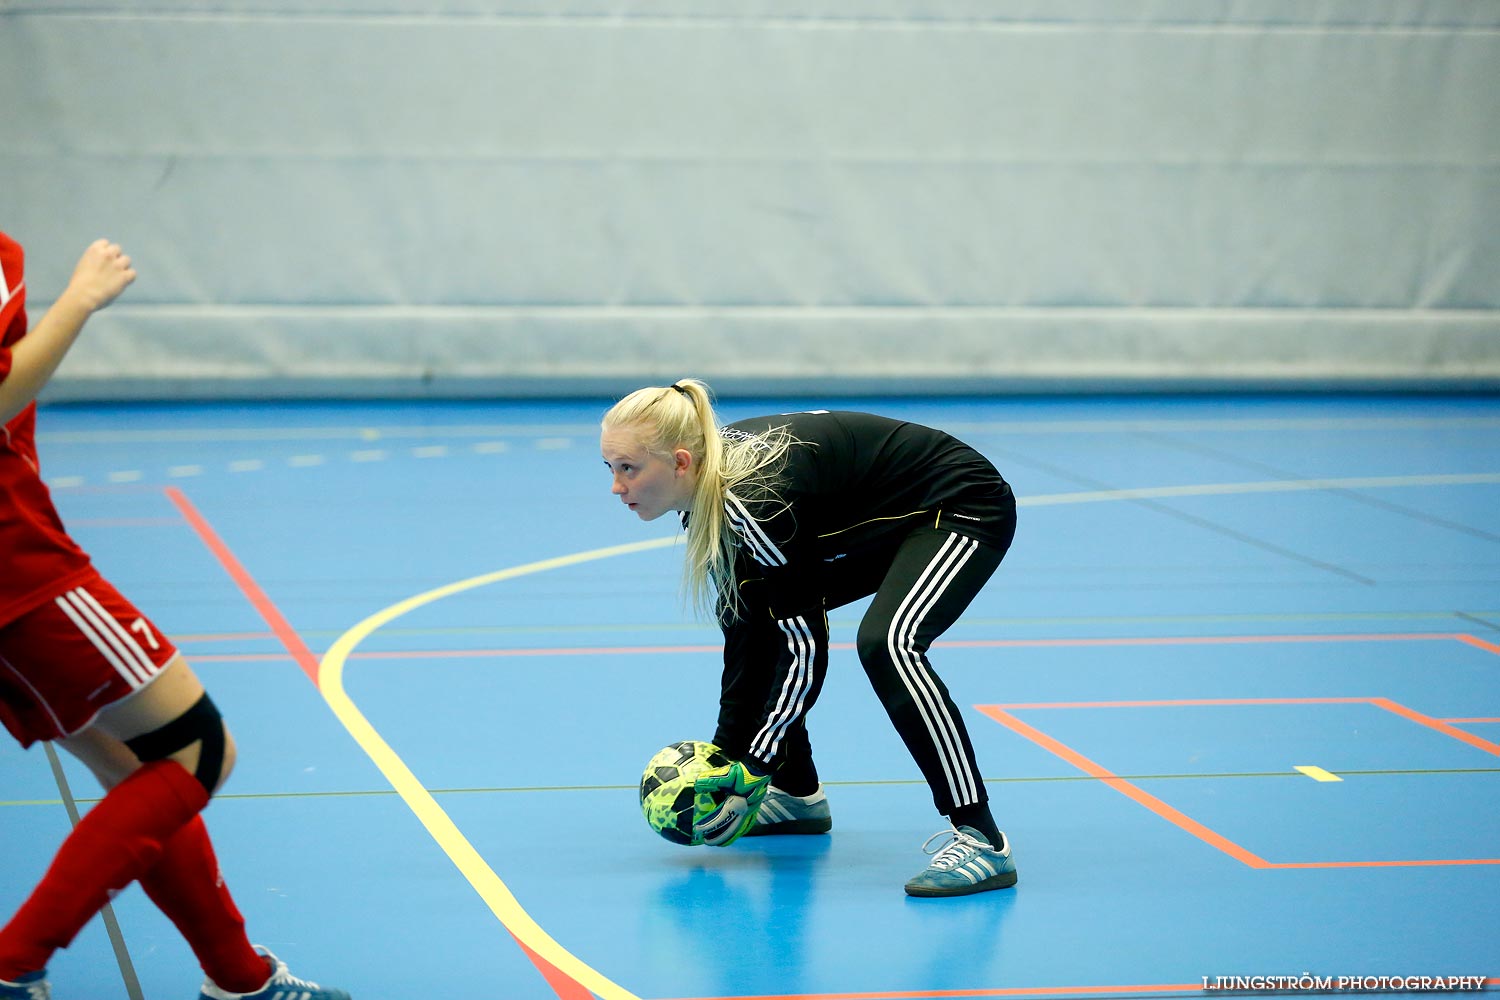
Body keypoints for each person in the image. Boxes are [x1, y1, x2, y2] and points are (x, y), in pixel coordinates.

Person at [0, 230, 350, 999]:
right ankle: (13, 959)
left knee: (132, 769)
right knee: (200, 748)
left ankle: (240, 978)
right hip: (16, 567)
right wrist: (80, 301)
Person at [600, 378, 1020, 897]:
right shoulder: (706, 499)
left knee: (888, 644)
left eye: (628, 469)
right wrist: (727, 758)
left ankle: (980, 836)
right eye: (610, 468)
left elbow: (805, 644)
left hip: (958, 505)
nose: (616, 486)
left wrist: (749, 768)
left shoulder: (751, 503)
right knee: (751, 611)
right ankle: (796, 792)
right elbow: (748, 632)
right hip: (884, 517)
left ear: (681, 462)